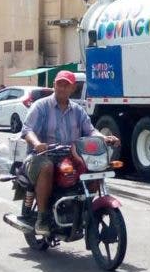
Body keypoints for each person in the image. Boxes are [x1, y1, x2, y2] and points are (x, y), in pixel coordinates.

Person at [21, 70, 120, 235]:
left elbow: (90, 130)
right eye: (59, 84)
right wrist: (37, 143)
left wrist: (104, 138)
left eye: (66, 85)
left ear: (73, 88)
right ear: (54, 85)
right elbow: (27, 130)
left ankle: (85, 207)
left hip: (70, 156)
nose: (62, 88)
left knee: (95, 169)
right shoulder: (41, 106)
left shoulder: (78, 110)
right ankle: (42, 218)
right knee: (46, 167)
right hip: (42, 155)